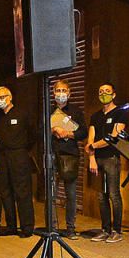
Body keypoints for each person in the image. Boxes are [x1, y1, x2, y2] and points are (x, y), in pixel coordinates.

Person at [86, 83, 127, 243]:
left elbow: (114, 137)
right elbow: (91, 136)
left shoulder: (120, 113)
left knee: (113, 194)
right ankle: (105, 229)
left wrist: (93, 146)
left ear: (114, 94)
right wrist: (91, 157)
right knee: (100, 196)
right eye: (101, 91)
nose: (104, 94)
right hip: (97, 159)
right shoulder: (95, 116)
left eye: (107, 91)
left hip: (111, 158)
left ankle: (117, 230)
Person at [0, 86, 35, 238]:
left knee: (22, 191)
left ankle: (27, 227)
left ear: (9, 97)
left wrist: (24, 149)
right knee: (5, 191)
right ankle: (11, 226)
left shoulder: (22, 114)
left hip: (19, 155)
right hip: (3, 156)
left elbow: (32, 134)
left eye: (1, 97)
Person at [50, 80, 86, 239]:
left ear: (69, 93)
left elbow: (83, 132)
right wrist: (52, 129)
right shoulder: (49, 111)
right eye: (58, 90)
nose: (61, 93)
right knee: (51, 193)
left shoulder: (76, 111)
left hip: (70, 155)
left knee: (70, 194)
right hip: (52, 154)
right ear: (53, 93)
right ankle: (52, 227)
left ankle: (70, 228)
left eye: (64, 90)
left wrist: (68, 133)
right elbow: (38, 131)